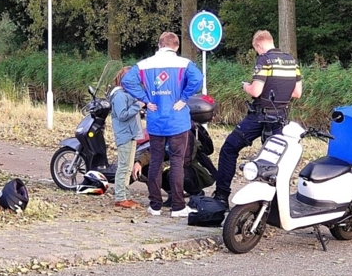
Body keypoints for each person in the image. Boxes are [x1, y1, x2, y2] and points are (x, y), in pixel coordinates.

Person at [213, 30, 302, 205]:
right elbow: (297, 93)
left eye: (256, 50)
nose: (257, 53)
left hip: (259, 117)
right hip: (280, 119)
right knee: (275, 161)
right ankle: (273, 204)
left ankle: (221, 196)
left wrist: (245, 86)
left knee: (229, 149)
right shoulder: (292, 61)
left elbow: (256, 91)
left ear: (259, 45)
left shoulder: (264, 60)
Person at [122, 31, 203, 216]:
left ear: (159, 45)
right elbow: (198, 78)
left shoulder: (145, 64)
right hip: (177, 120)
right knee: (177, 162)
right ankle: (178, 206)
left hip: (156, 120)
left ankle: (155, 205)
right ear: (176, 47)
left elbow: (127, 80)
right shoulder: (184, 63)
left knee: (156, 161)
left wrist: (145, 99)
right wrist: (184, 98)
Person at [109, 65, 144, 209]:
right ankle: (120, 197)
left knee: (128, 168)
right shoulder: (119, 96)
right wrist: (138, 106)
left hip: (131, 134)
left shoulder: (126, 94)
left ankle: (125, 195)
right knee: (123, 167)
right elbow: (122, 115)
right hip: (124, 135)